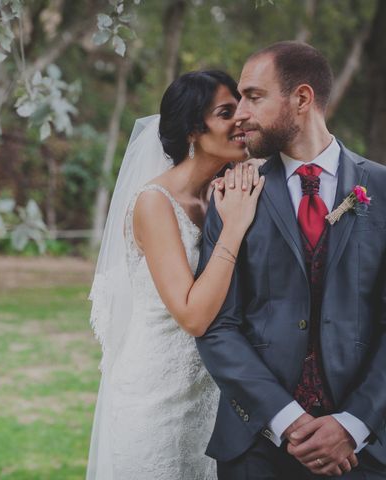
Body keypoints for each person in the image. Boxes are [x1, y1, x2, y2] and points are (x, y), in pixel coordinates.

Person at [196, 41, 386, 479]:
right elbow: (215, 324)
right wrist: (287, 420)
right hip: (256, 448)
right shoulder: (233, 194)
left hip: (363, 450)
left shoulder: (381, 188)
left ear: (302, 98)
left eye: (254, 97)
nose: (239, 112)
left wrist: (353, 424)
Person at [86, 70, 265, 479]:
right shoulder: (154, 203)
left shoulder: (229, 190)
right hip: (155, 397)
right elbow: (192, 315)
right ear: (192, 130)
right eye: (226, 113)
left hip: (213, 393)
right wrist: (234, 228)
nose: (242, 120)